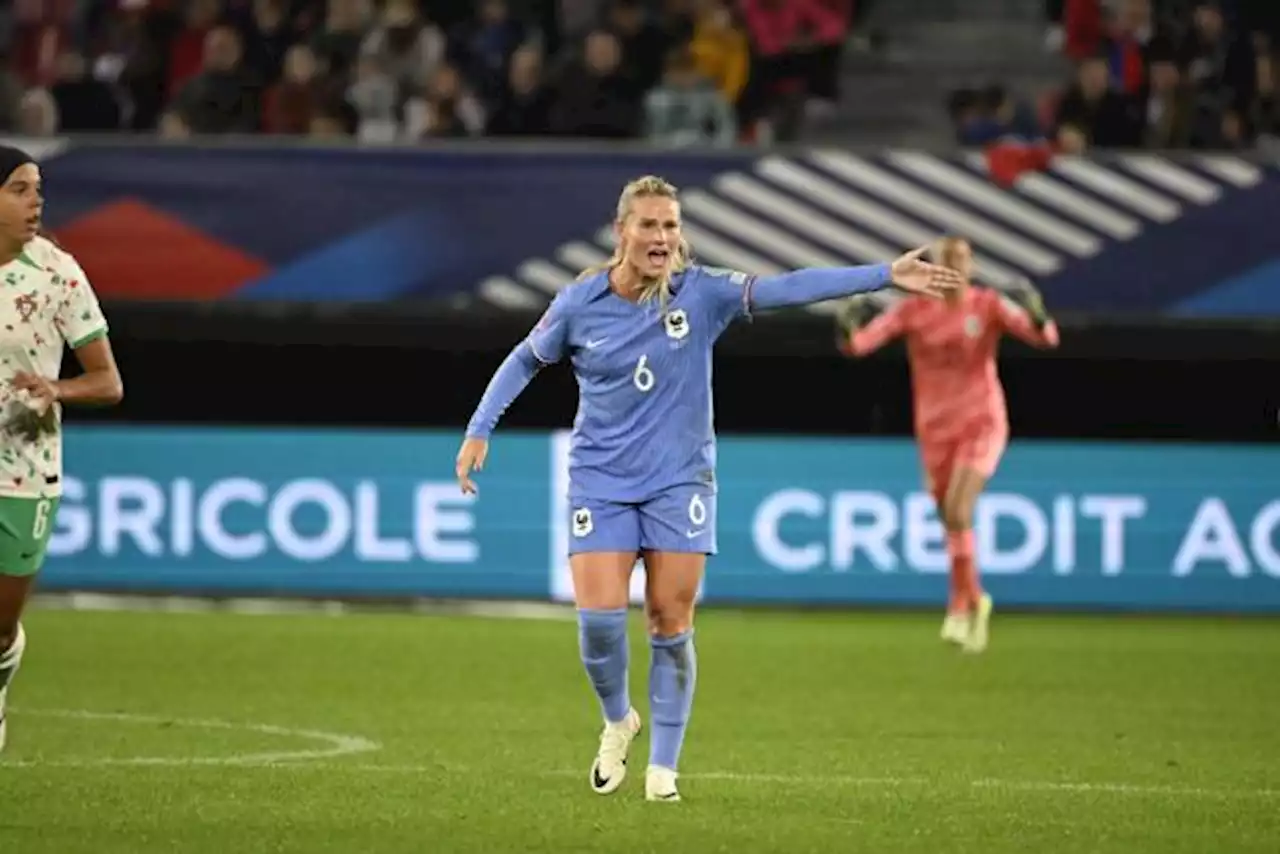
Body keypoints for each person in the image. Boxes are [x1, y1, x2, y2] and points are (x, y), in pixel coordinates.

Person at [455, 175, 963, 802]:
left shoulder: (702, 294)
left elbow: (788, 287)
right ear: (623, 233)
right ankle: (618, 719)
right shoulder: (580, 302)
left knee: (670, 620)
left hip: (679, 483)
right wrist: (481, 428)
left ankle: (664, 768)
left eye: (671, 225)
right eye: (650, 225)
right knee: (599, 624)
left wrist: (883, 274)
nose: (663, 237)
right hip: (601, 482)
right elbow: (525, 360)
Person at [838, 237, 1059, 654]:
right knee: (949, 518)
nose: (955, 266)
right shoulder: (915, 310)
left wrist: (1039, 315)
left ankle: (958, 607)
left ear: (971, 266)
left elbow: (1044, 339)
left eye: (961, 259)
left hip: (981, 422)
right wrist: (846, 327)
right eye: (947, 260)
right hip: (934, 430)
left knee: (959, 509)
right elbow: (861, 345)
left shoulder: (988, 305)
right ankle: (976, 599)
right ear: (937, 266)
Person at [0, 146, 124, 753]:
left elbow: (108, 382)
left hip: (24, 471)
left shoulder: (57, 274)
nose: (36, 201)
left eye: (38, 190)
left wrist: (55, 388)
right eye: (20, 189)